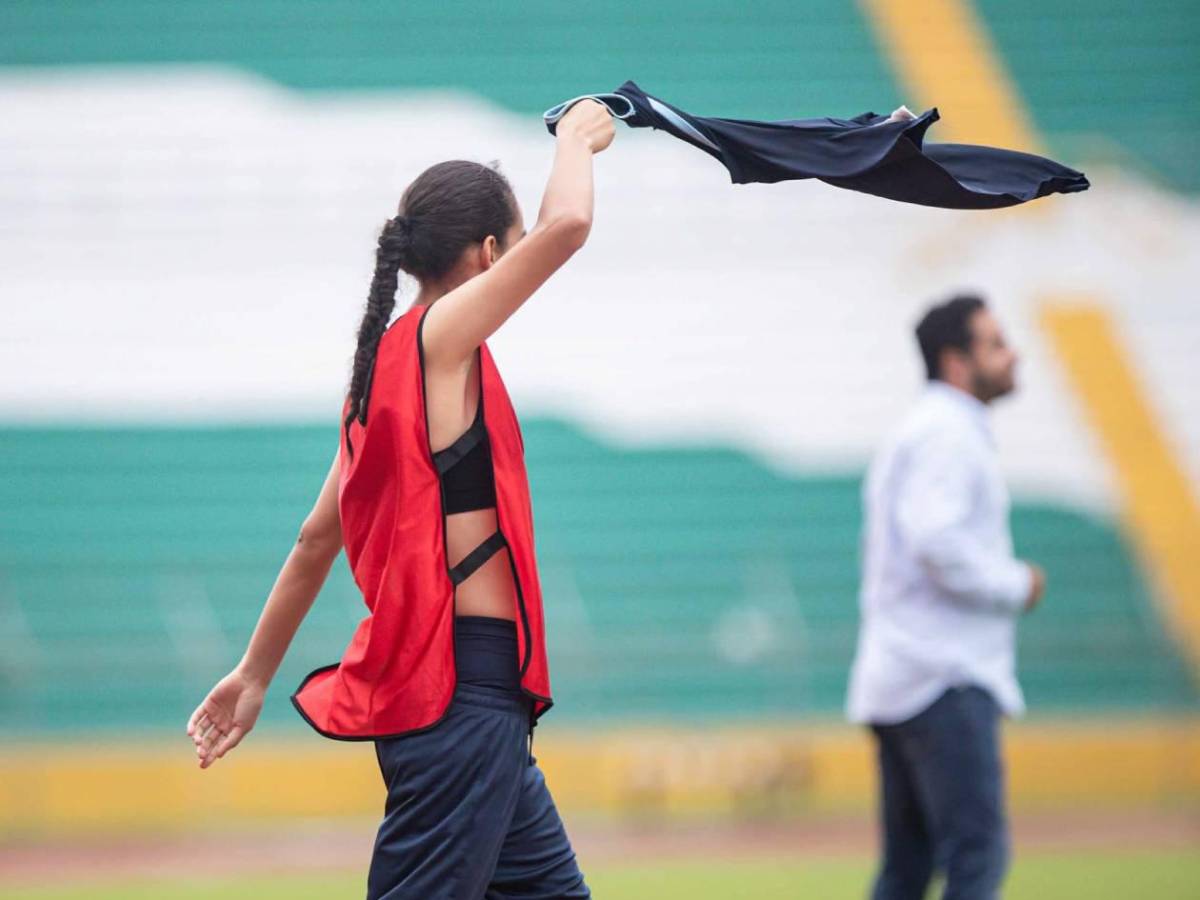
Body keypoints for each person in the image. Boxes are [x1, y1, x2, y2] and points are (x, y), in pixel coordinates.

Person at [186, 98, 615, 899]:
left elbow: (317, 541)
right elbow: (568, 226)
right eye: (510, 248)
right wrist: (578, 136)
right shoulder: (440, 341)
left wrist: (252, 675)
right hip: (462, 699)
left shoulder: (377, 378)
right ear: (489, 253)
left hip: (471, 706)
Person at [847, 294, 1048, 900]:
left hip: (906, 672)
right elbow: (936, 541)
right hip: (944, 678)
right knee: (976, 858)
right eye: (995, 342)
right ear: (956, 361)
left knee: (907, 871)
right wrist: (1016, 583)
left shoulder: (925, 429)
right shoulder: (948, 433)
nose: (1012, 354)